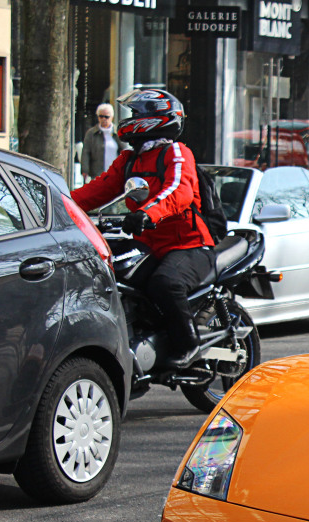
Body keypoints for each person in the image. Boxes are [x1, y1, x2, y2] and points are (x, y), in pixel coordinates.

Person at [72, 88, 214, 371]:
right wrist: (58, 206)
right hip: (149, 245)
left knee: (165, 283)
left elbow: (179, 192)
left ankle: (189, 344)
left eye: (136, 114)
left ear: (156, 118)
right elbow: (95, 191)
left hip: (188, 244)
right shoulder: (129, 160)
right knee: (116, 276)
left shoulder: (176, 152)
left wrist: (147, 213)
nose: (129, 119)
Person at [82, 103, 127, 181]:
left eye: (106, 117)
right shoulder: (91, 133)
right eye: (101, 116)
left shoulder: (119, 132)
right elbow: (85, 152)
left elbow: (126, 150)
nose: (104, 119)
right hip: (97, 174)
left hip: (115, 174)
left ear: (112, 117)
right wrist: (84, 170)